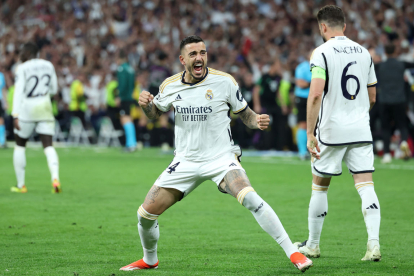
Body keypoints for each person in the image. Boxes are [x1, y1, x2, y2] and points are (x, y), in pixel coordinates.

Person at [119, 35, 313, 273]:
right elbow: (153, 114)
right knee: (145, 215)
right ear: (182, 59)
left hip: (221, 158)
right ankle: (150, 260)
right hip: (185, 161)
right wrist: (145, 105)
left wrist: (257, 121)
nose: (199, 58)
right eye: (193, 54)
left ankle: (293, 253)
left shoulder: (225, 82)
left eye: (203, 52)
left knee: (250, 197)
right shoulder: (169, 86)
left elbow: (246, 114)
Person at [294, 5, 381, 262]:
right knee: (366, 185)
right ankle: (373, 245)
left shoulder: (320, 53)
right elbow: (372, 97)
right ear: (344, 26)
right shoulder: (364, 53)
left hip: (331, 131)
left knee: (319, 187)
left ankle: (313, 244)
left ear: (322, 27)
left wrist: (310, 133)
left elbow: (316, 93)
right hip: (360, 130)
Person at [11, 42, 61, 193]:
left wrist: (15, 114)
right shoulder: (48, 65)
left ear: (27, 53)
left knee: (20, 145)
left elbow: (18, 91)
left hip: (27, 108)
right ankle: (55, 179)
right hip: (45, 106)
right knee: (48, 146)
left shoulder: (23, 68)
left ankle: (21, 185)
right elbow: (54, 89)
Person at [375, 44, 414, 163]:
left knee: (386, 127)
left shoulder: (380, 66)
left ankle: (386, 154)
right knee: (402, 125)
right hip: (399, 100)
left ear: (385, 52)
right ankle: (403, 142)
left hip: (384, 100)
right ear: (395, 51)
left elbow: (367, 66)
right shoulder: (401, 64)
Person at [117, 49, 137, 152]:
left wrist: (119, 96)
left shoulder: (122, 69)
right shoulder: (131, 69)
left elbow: (122, 84)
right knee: (128, 118)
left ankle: (130, 144)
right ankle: (133, 143)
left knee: (125, 118)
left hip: (124, 97)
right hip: (130, 96)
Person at [294, 51, 312, 160]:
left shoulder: (321, 67)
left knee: (316, 125)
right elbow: (301, 83)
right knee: (303, 125)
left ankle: (312, 150)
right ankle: (302, 152)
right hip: (303, 98)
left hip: (316, 98)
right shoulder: (302, 67)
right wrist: (316, 83)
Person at [0, 69, 7, 148]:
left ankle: (2, 141)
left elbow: (3, 89)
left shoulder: (1, 75)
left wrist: (6, 102)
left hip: (0, 100)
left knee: (1, 120)